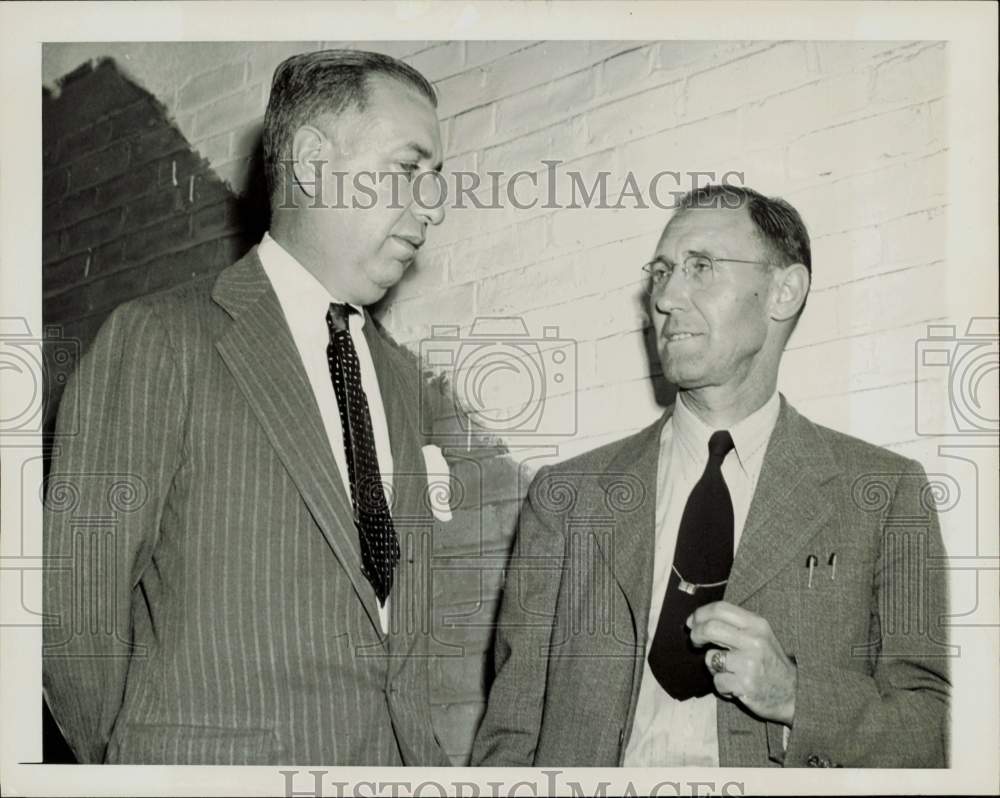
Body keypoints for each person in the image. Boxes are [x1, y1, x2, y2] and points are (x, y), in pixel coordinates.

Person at [43, 49, 449, 765]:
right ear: (314, 161)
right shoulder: (161, 340)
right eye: (408, 170)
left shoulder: (396, 379)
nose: (433, 205)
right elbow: (70, 611)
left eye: (437, 180)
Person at [472, 184, 950, 768]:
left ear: (783, 291)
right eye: (663, 272)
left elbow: (929, 731)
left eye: (701, 268)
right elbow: (509, 737)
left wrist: (797, 696)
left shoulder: (883, 494)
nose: (667, 298)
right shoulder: (566, 498)